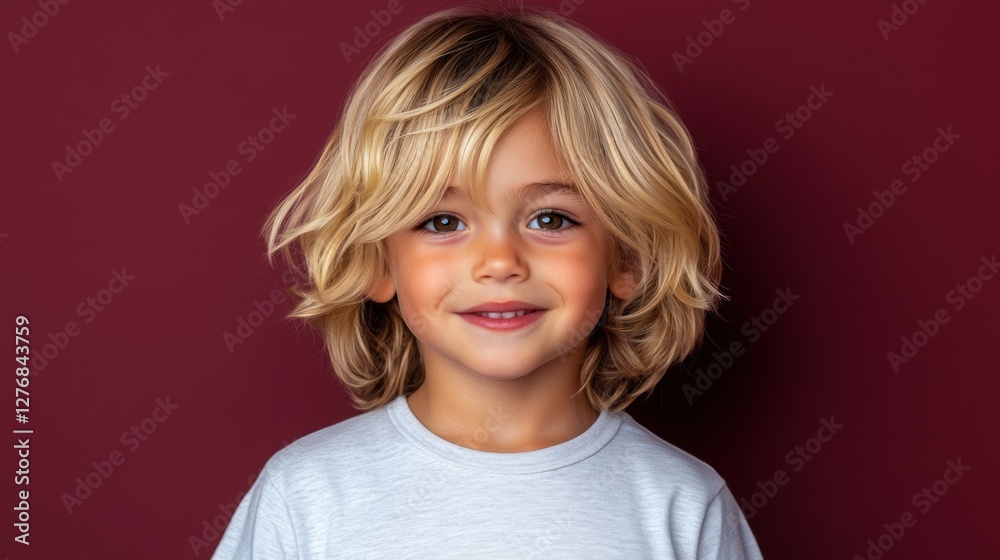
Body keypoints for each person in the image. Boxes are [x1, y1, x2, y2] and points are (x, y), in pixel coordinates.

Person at [212, 4, 765, 558]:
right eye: (442, 222)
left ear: (627, 257)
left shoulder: (684, 507)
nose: (499, 262)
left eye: (550, 219)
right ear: (378, 263)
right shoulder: (306, 495)